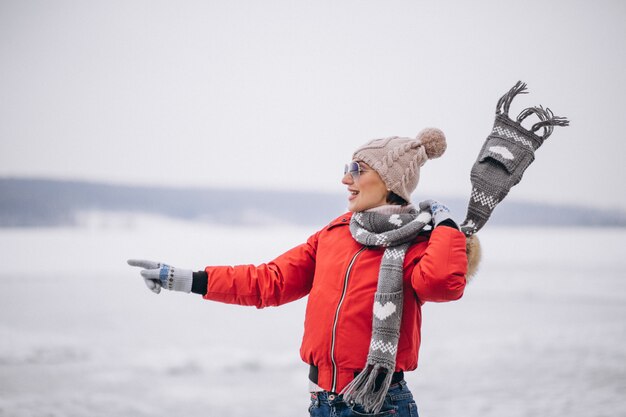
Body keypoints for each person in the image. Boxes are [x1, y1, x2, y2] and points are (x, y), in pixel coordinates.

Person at [129, 128, 479, 416]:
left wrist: (446, 225)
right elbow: (270, 281)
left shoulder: (418, 242)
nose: (346, 178)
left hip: (380, 404)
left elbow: (441, 284)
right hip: (322, 402)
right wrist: (186, 279)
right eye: (348, 167)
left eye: (358, 169)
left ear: (389, 181)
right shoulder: (336, 234)